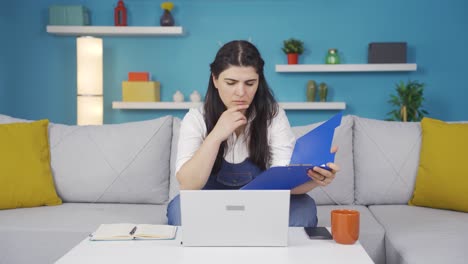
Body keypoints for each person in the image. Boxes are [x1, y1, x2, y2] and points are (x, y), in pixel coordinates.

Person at [167, 40, 339, 227]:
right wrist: (216, 135)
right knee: (180, 207)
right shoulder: (196, 118)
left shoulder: (273, 115)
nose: (240, 92)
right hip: (211, 205)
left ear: (259, 81)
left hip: (263, 205)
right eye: (231, 82)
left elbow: (283, 184)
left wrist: (316, 179)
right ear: (215, 80)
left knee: (304, 207)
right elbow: (188, 186)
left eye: (250, 83)